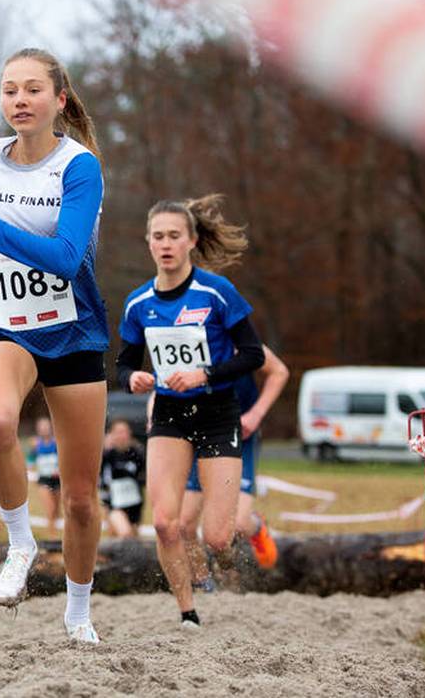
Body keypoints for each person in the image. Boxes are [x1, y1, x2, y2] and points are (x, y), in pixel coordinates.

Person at [0, 48, 107, 642]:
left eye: (33, 90)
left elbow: (63, 259)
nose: (20, 101)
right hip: (8, 325)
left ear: (59, 100)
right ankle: (20, 542)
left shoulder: (79, 168)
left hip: (74, 330)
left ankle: (78, 611)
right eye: (10, 91)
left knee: (81, 499)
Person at [116, 195, 263, 629]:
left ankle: (249, 535)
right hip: (170, 417)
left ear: (191, 241)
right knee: (166, 524)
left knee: (217, 538)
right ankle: (187, 612)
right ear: (148, 243)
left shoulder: (217, 292)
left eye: (174, 236)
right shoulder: (138, 303)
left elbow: (253, 355)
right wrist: (132, 379)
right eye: (158, 236)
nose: (166, 244)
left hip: (217, 412)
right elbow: (124, 362)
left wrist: (206, 373)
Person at [179, 345, 288, 578]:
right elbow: (163, 384)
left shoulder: (235, 336)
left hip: (239, 433)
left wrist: (256, 414)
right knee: (185, 523)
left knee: (238, 524)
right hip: (201, 435)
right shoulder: (184, 337)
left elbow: (279, 371)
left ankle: (257, 526)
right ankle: (203, 581)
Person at [100, 420, 146, 538]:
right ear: (111, 434)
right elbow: (100, 479)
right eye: (118, 432)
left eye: (124, 432)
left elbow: (144, 477)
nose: (121, 435)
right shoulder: (107, 455)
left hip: (134, 502)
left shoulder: (137, 454)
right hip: (114, 503)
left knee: (133, 538)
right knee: (125, 533)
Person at [26, 416, 62, 535]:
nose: (44, 429)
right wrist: (29, 469)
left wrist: (59, 469)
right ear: (38, 430)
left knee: (56, 510)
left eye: (46, 427)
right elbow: (30, 462)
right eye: (41, 427)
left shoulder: (57, 443)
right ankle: (52, 535)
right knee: (50, 508)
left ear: (50, 428)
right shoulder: (36, 445)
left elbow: (64, 460)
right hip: (43, 480)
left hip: (57, 480)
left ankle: (54, 531)